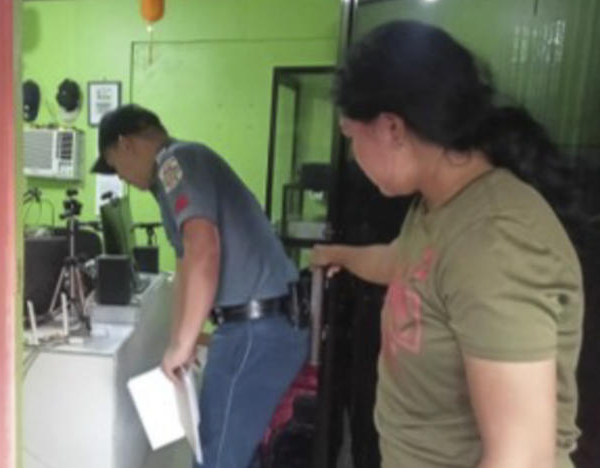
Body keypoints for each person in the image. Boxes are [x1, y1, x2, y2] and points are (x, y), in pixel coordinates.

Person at [312, 21, 584, 468]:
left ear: (391, 128)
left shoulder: (494, 240)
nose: (354, 158)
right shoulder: (440, 206)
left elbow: (523, 459)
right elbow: (405, 263)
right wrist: (338, 255)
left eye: (350, 135)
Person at [91, 104, 309, 468]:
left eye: (115, 166)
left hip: (256, 330)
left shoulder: (178, 162)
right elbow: (185, 264)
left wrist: (184, 342)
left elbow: (204, 249)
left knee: (216, 456)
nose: (122, 178)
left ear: (126, 144)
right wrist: (179, 343)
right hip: (254, 327)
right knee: (230, 450)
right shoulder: (168, 182)